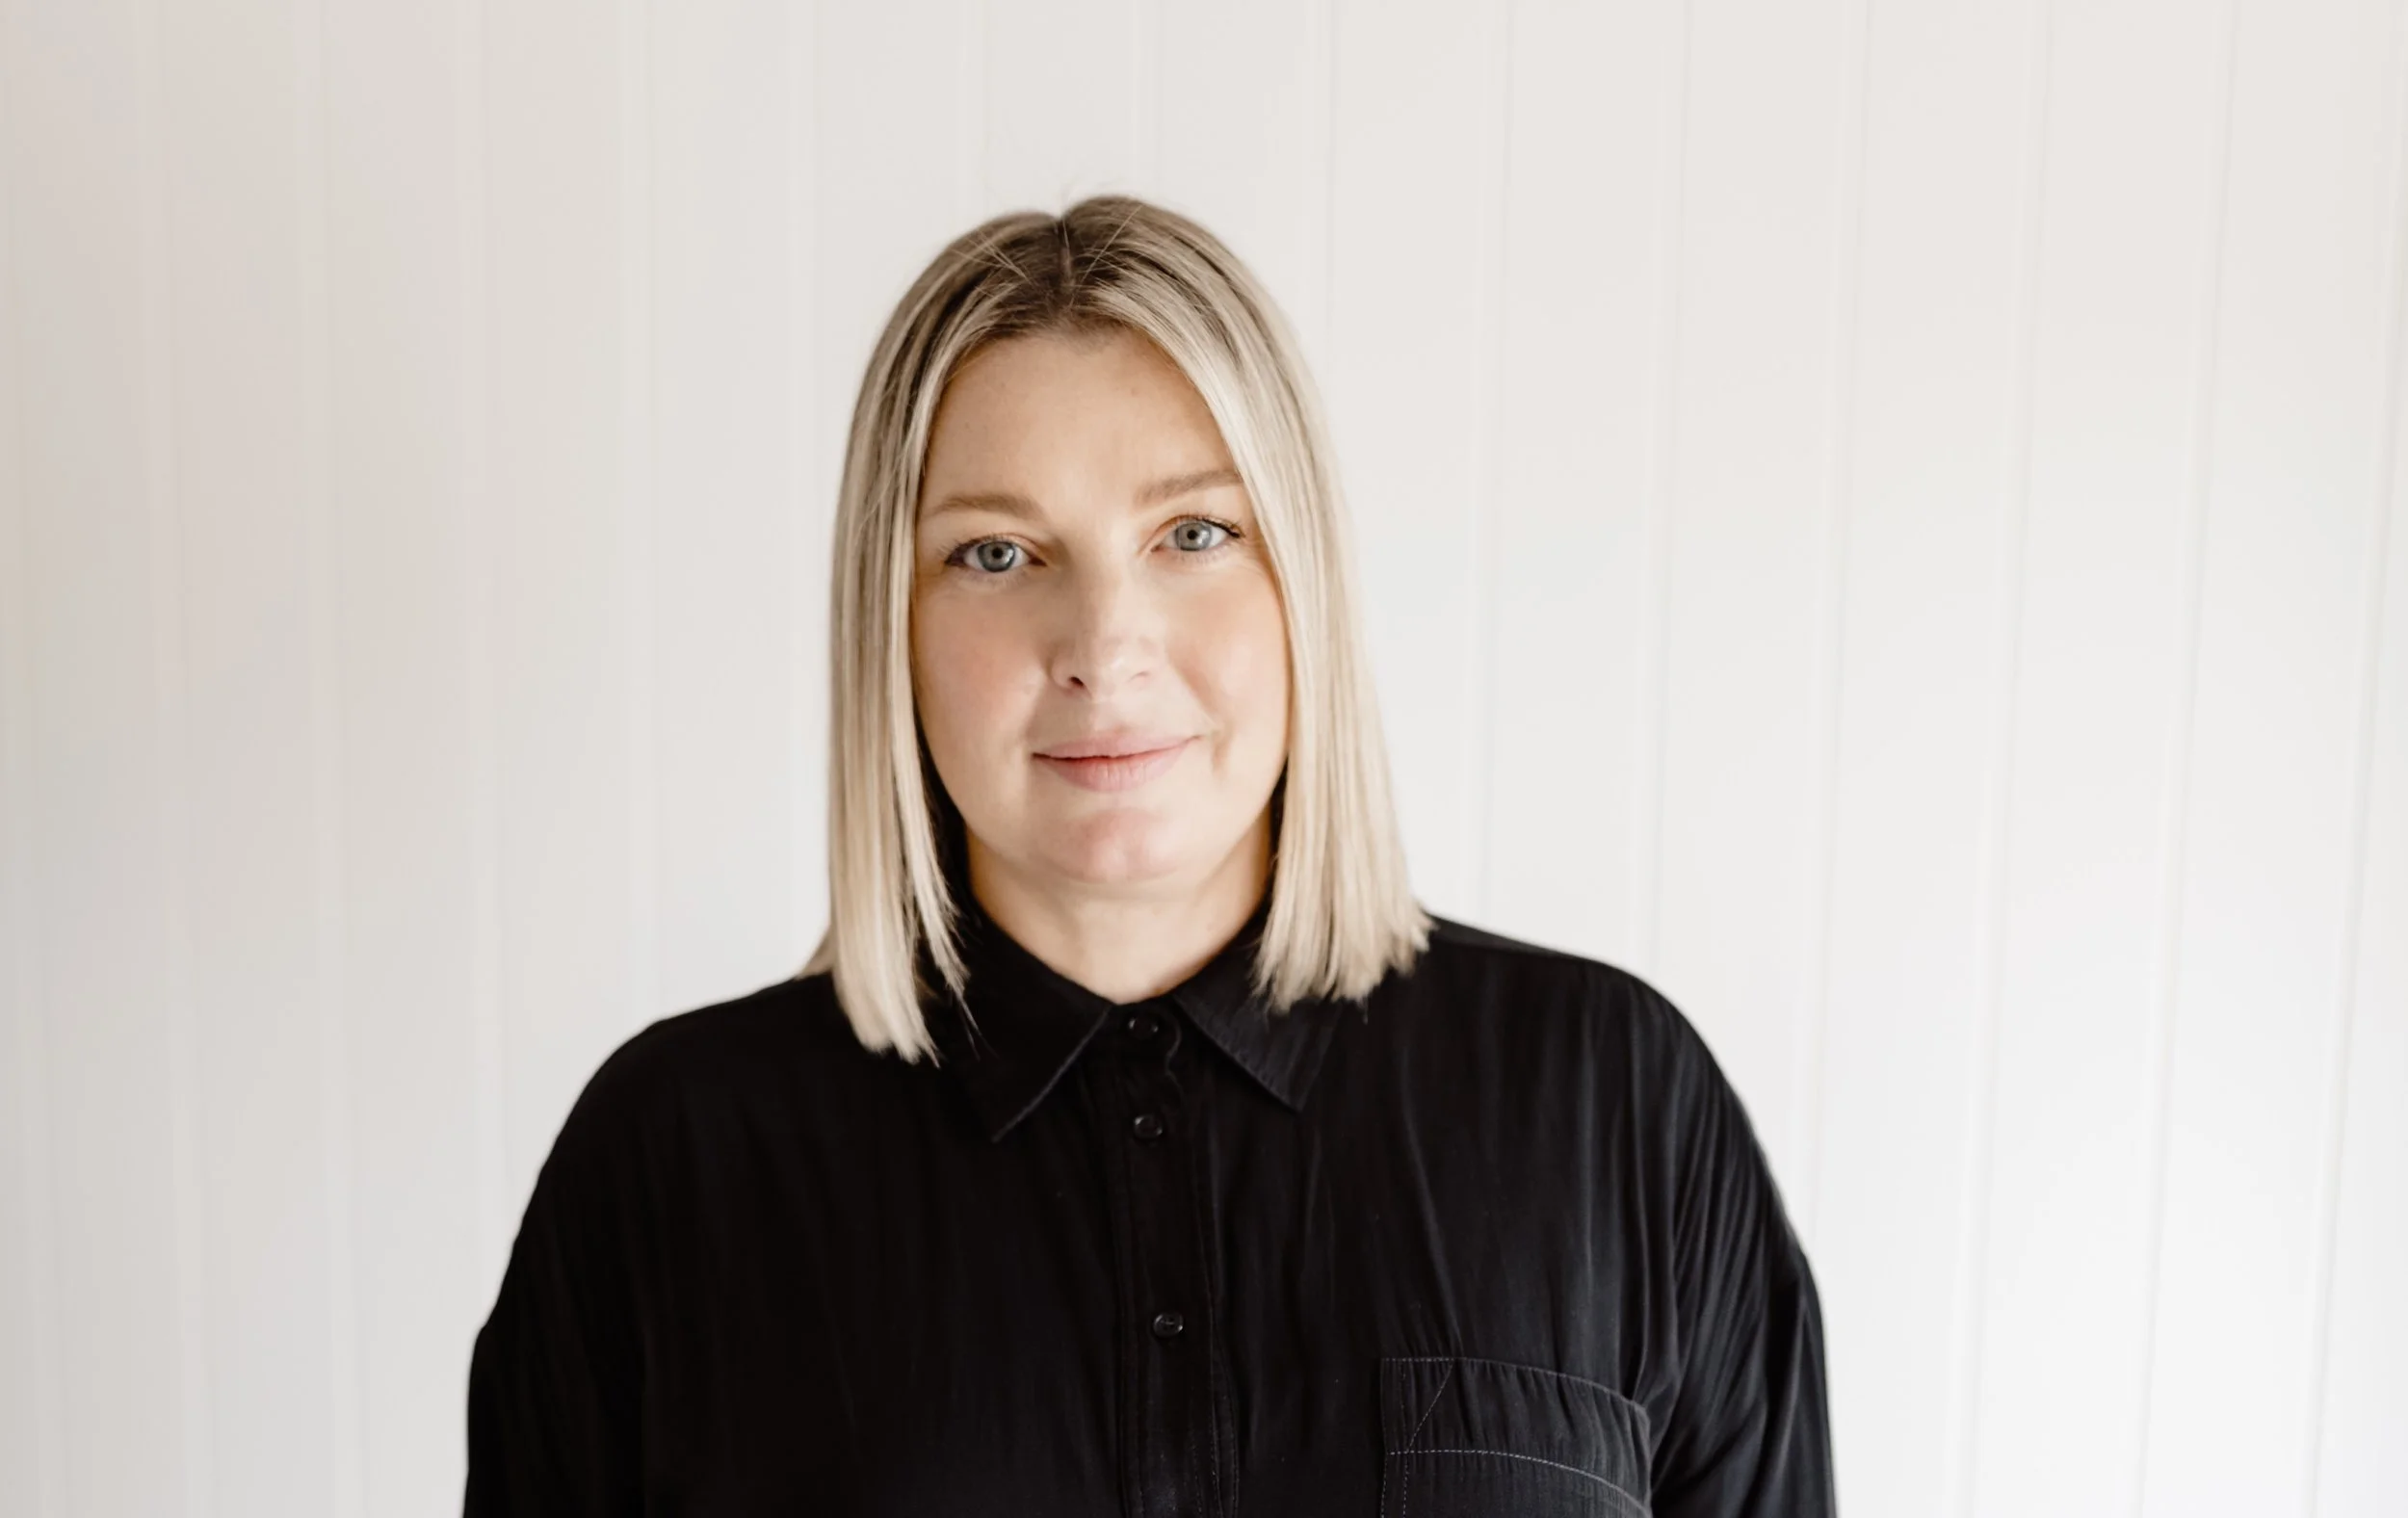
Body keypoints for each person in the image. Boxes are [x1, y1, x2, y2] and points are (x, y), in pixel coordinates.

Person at [463, 194, 1834, 1517]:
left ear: (1305, 586)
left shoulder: (1615, 1105)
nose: (1104, 648)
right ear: (892, 622)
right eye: (996, 554)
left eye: (1195, 534)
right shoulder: (670, 1162)